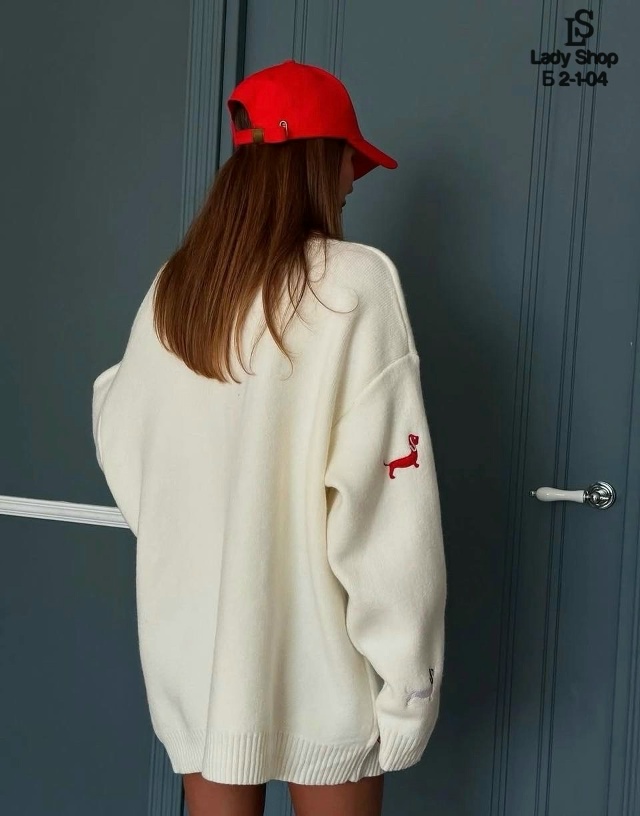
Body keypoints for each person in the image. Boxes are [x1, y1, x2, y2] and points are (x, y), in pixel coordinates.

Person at [91, 58, 447, 816]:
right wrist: (408, 687)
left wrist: (200, 542)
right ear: (320, 160)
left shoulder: (178, 287)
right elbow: (388, 512)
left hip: (201, 666)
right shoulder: (356, 285)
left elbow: (121, 433)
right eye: (348, 159)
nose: (352, 181)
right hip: (323, 672)